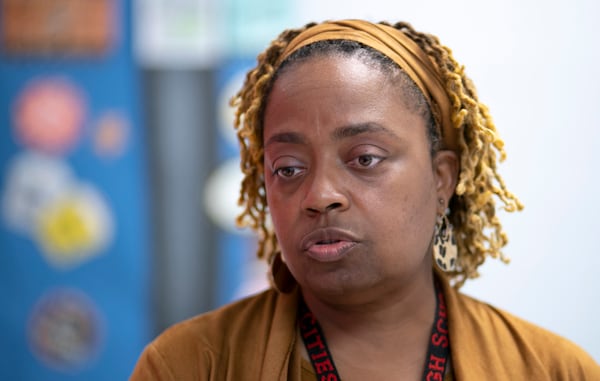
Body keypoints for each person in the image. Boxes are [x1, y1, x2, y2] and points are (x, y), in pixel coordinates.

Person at [130, 19, 600, 380]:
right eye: (289, 169)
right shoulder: (190, 365)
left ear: (442, 179)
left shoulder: (552, 369)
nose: (319, 196)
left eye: (365, 159)